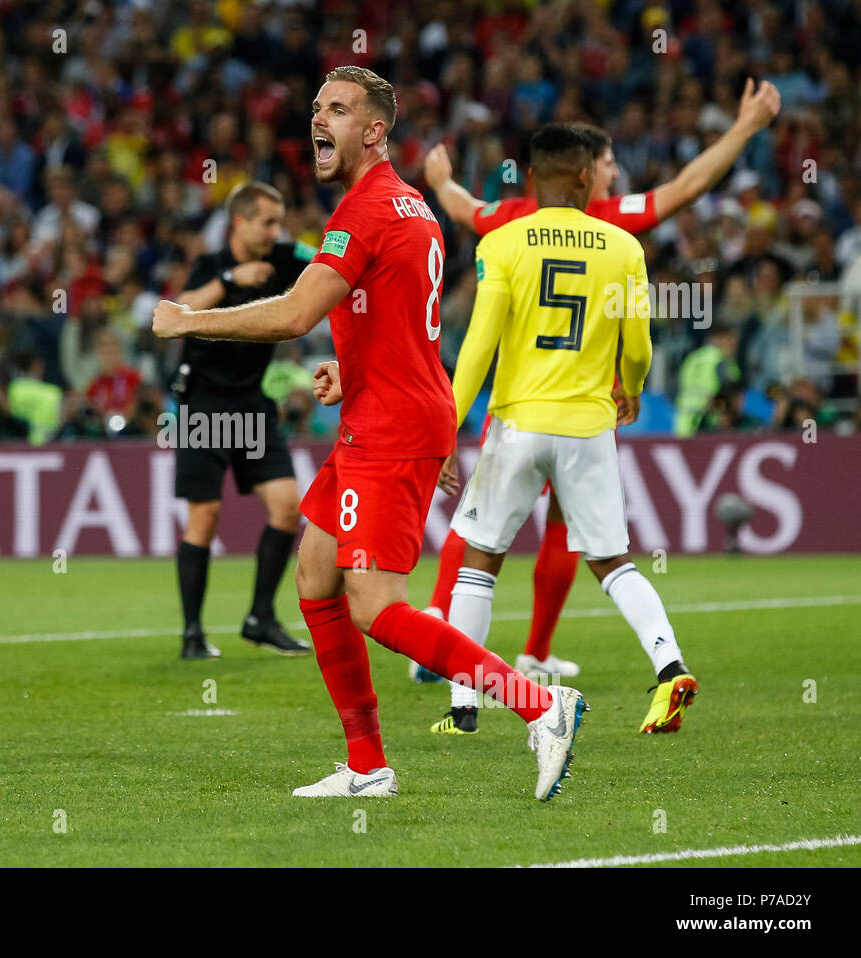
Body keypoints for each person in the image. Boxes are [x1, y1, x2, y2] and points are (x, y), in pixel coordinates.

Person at [154, 66, 585, 802]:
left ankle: (539, 704)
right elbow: (403, 325)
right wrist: (351, 377)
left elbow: (293, 314)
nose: (318, 117)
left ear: (375, 130)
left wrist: (191, 320)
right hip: (383, 413)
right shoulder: (411, 207)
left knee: (377, 605)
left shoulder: (367, 209)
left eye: (339, 109)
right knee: (315, 576)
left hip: (390, 428)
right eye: (316, 105)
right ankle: (366, 765)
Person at [416, 78, 781, 683]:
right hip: (584, 409)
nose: (614, 176)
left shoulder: (509, 221)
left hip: (515, 405)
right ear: (584, 173)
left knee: (480, 530)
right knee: (578, 535)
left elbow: (461, 211)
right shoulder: (610, 225)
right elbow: (688, 188)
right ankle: (537, 651)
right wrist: (745, 129)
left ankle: (452, 639)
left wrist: (439, 180)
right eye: (609, 164)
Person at [436, 124, 697, 736]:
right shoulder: (622, 249)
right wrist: (629, 386)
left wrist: (447, 426)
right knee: (614, 562)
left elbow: (477, 347)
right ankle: (670, 668)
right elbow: (638, 346)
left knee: (480, 560)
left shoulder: (503, 244)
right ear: (586, 177)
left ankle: (463, 708)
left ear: (531, 176)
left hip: (518, 423)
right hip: (588, 427)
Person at [171, 181, 315, 659]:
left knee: (287, 507)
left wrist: (304, 245)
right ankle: (193, 633)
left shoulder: (285, 256)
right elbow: (181, 309)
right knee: (205, 516)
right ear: (240, 222)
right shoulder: (210, 266)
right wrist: (233, 279)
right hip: (203, 406)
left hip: (252, 403)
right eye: (268, 222)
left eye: (280, 222)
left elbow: (328, 258)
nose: (277, 231)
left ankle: (260, 617)